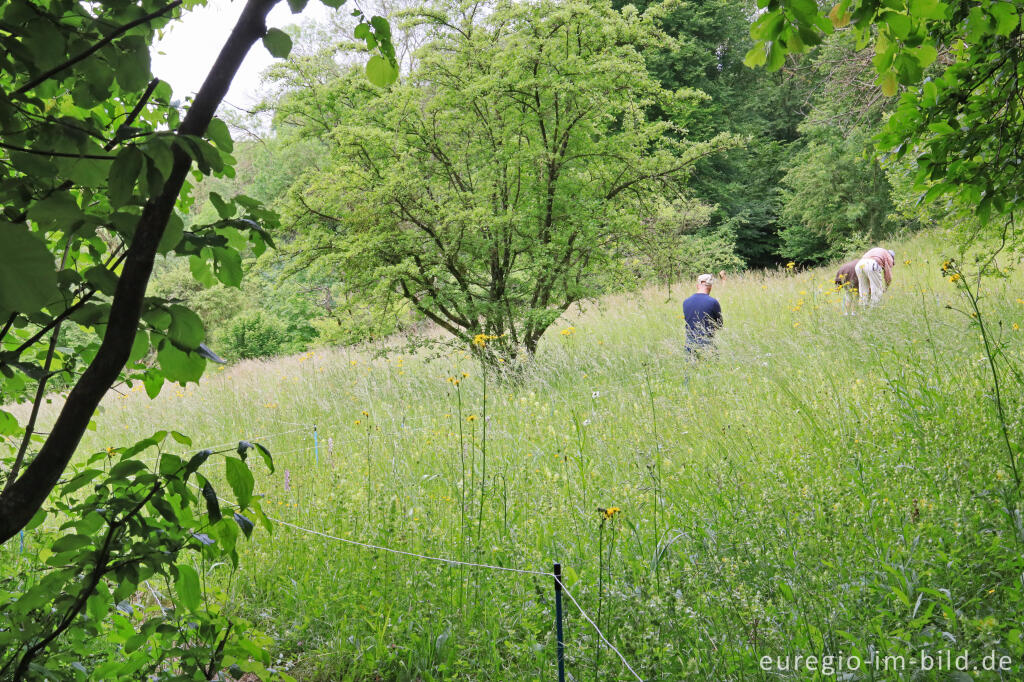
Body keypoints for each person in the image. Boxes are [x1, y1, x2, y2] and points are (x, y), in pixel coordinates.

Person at [682, 273, 722, 351]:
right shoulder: (713, 302)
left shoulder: (686, 302)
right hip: (707, 344)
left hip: (690, 344)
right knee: (712, 362)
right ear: (710, 287)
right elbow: (719, 325)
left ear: (697, 285)